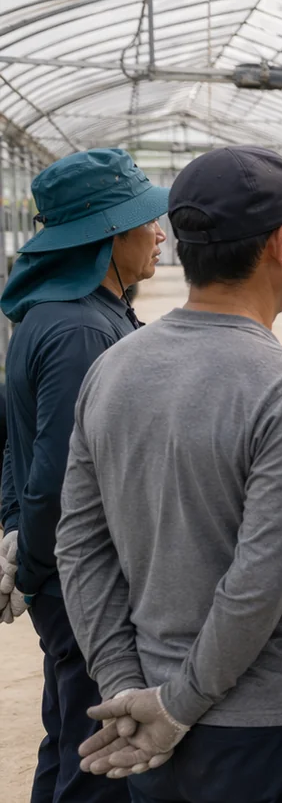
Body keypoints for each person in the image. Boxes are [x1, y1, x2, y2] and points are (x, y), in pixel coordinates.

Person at [55, 145, 282, 801]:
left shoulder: (115, 367)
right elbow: (260, 578)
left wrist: (126, 689)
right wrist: (178, 706)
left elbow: (79, 543)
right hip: (273, 723)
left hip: (150, 720)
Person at [0, 147, 168, 803]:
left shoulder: (58, 314)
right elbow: (56, 477)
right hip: (82, 585)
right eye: (144, 222)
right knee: (99, 761)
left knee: (69, 732)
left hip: (61, 577)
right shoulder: (79, 332)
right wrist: (34, 560)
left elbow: (15, 443)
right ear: (106, 236)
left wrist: (16, 534)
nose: (159, 234)